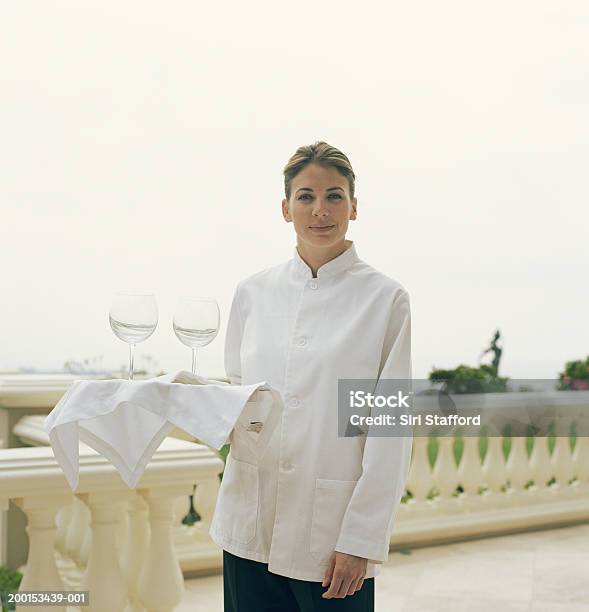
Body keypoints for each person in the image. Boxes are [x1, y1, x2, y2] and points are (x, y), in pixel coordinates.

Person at [209, 141, 413, 611]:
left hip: (331, 538)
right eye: (305, 196)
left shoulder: (385, 301)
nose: (320, 210)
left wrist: (361, 539)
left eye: (334, 196)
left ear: (354, 207)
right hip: (249, 523)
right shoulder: (252, 294)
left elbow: (389, 432)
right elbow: (240, 403)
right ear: (285, 209)